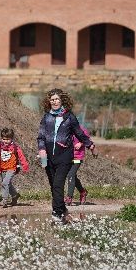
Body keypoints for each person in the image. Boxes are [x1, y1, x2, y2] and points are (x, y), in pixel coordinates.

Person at [37, 88, 94, 223]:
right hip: (48, 157)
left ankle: (57, 213)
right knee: (53, 186)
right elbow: (40, 136)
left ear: (62, 100)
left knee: (58, 185)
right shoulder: (46, 117)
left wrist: (89, 144)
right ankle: (63, 210)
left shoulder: (69, 117)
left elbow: (79, 133)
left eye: (57, 99)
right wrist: (41, 149)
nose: (54, 102)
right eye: (52, 100)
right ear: (48, 102)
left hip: (65, 156)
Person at [0, 127, 29, 208]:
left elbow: (21, 157)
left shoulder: (15, 147)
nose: (6, 141)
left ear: (11, 139)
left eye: (8, 139)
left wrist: (25, 166)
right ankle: (15, 195)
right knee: (8, 184)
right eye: (4, 139)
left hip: (12, 169)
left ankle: (4, 200)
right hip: (2, 169)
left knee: (5, 183)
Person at [65, 123, 92, 206]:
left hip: (77, 157)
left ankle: (69, 197)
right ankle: (83, 192)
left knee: (71, 175)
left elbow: (87, 140)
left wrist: (81, 143)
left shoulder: (81, 129)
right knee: (72, 176)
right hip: (67, 156)